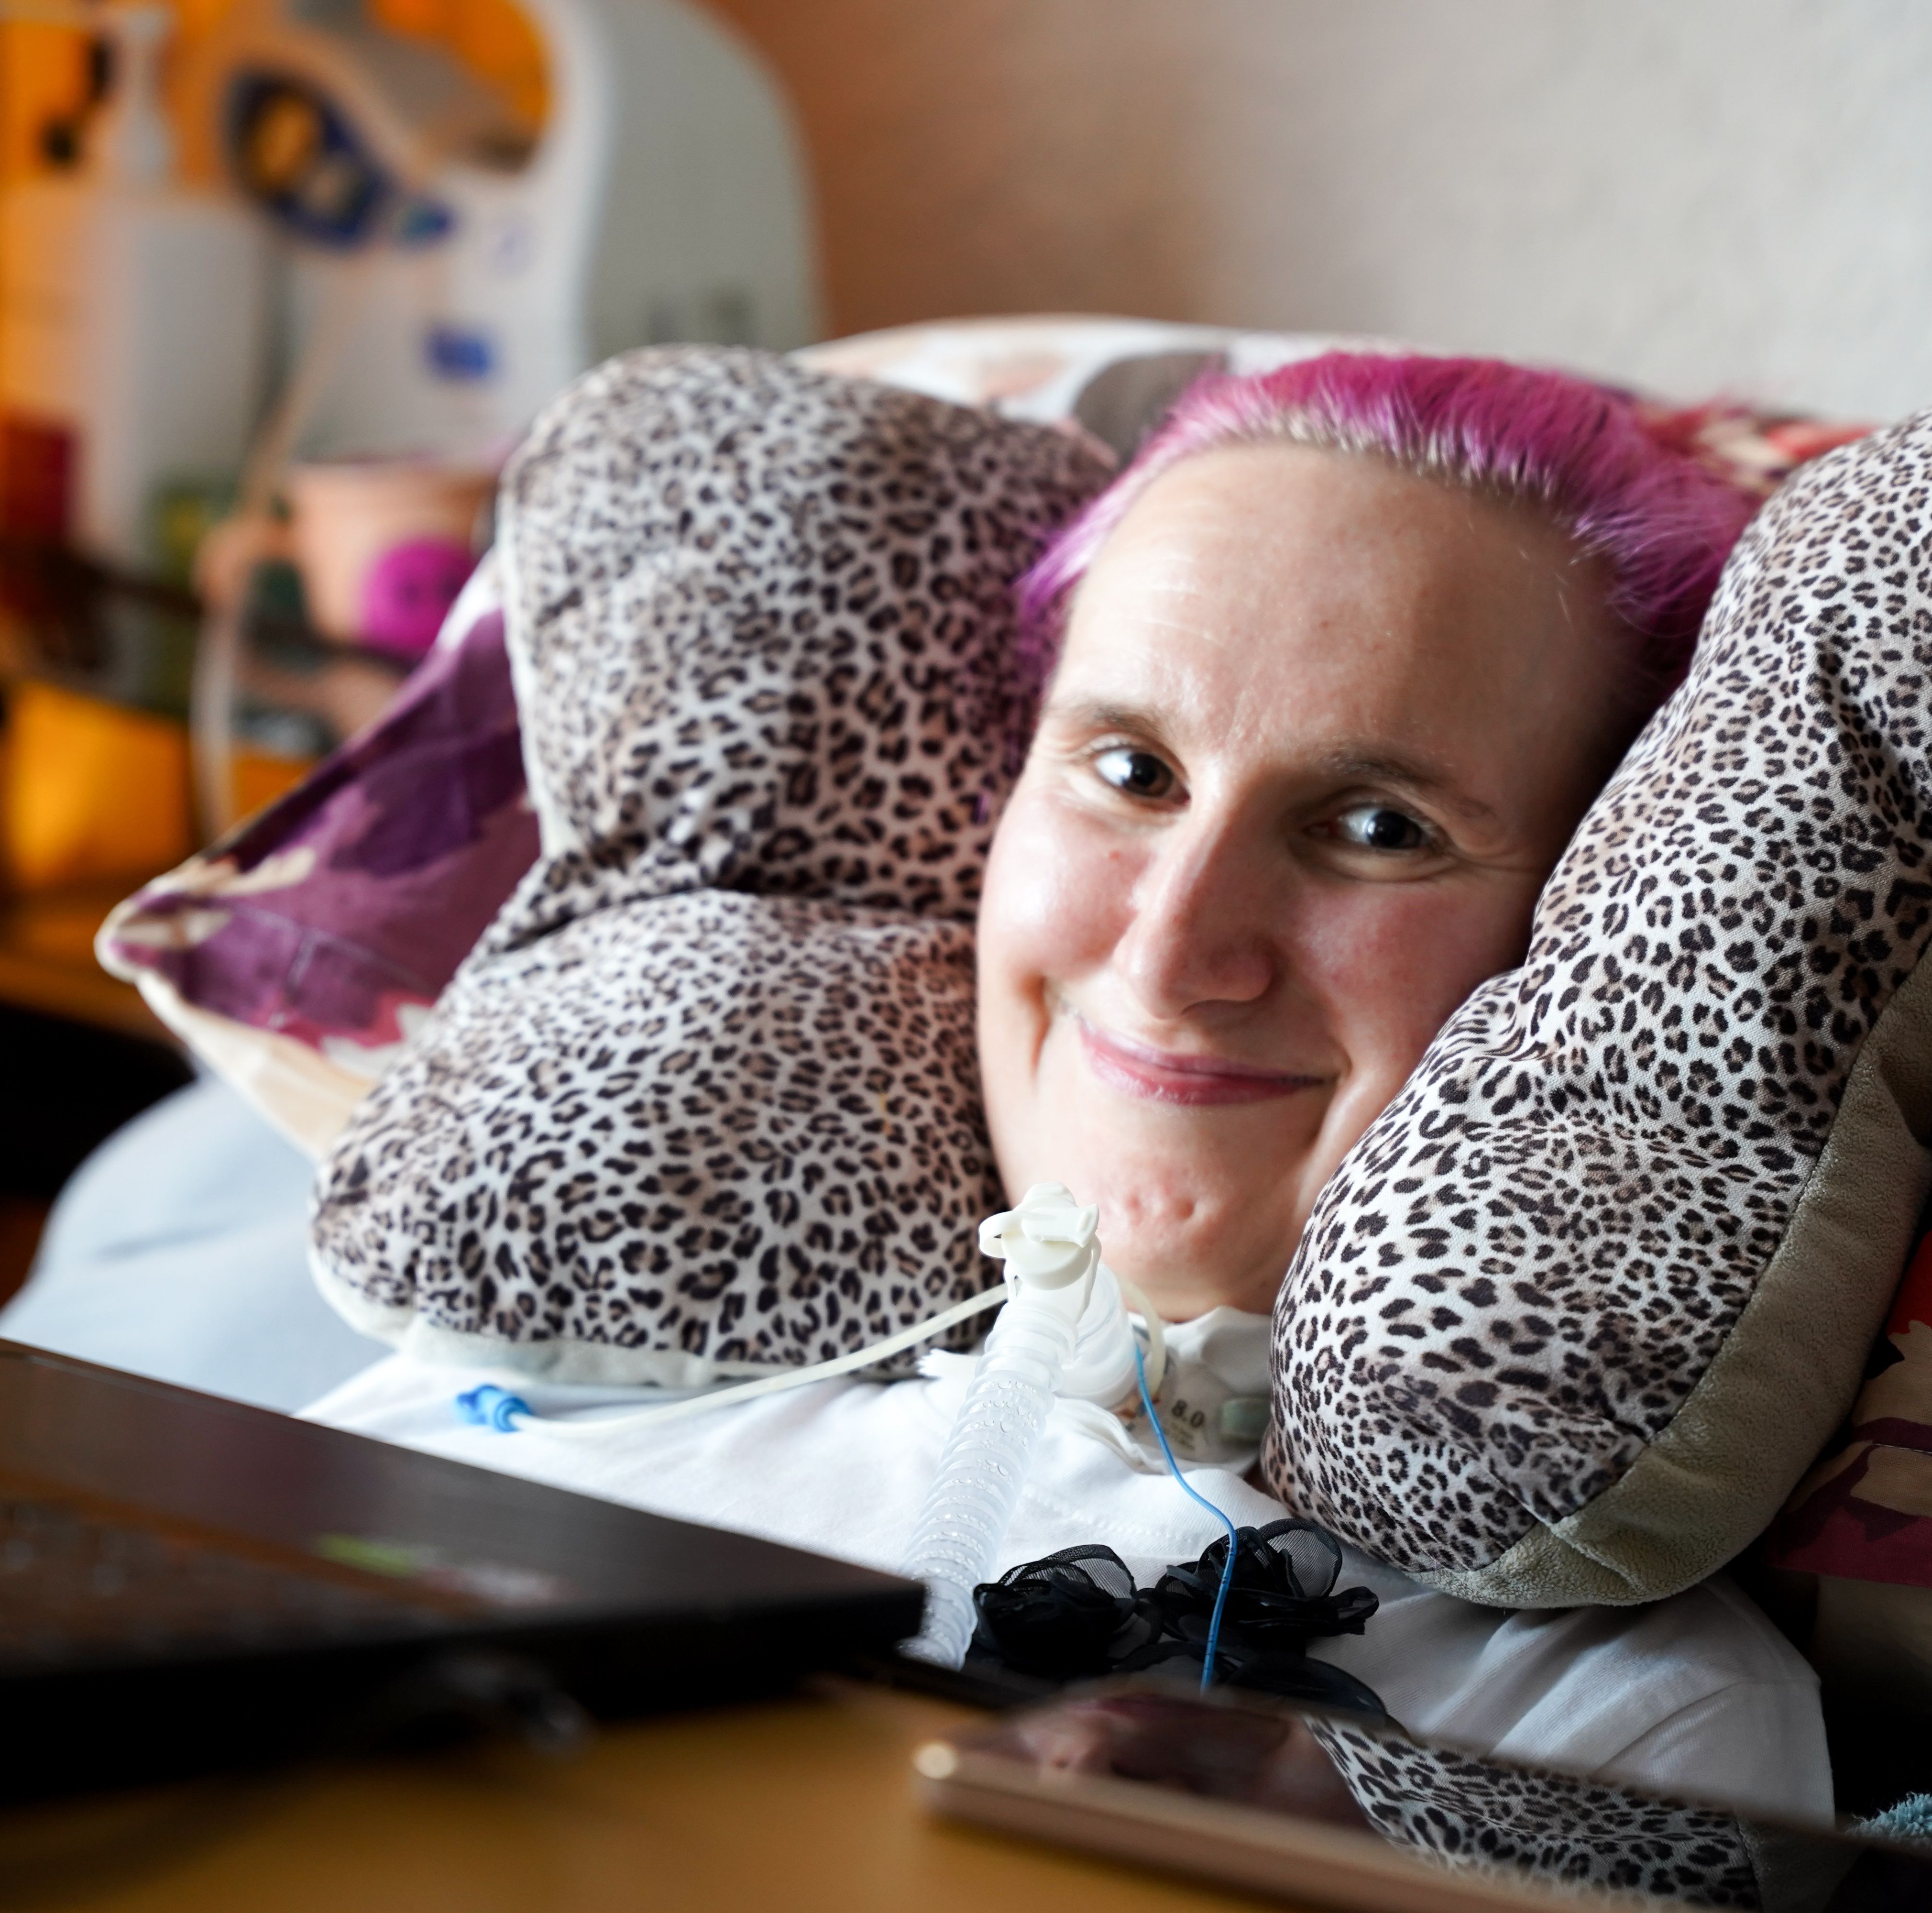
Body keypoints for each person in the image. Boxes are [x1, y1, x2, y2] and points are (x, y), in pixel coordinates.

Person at [305, 352, 1833, 1818]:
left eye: (1379, 828)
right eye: (1131, 772)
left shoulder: (1604, 1738)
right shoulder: (496, 1399)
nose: (1172, 956)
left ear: (1590, 932)